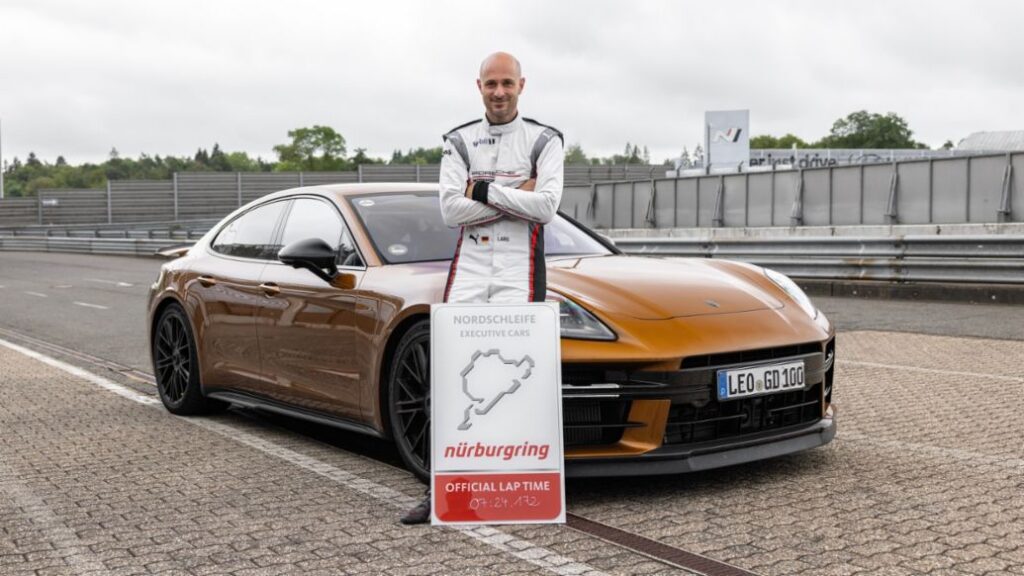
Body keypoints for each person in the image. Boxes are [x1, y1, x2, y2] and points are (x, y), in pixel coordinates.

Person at [400, 51, 564, 525]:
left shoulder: (545, 140)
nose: (498, 92)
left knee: (520, 378)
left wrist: (483, 190)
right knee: (454, 379)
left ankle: (517, 487)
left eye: (507, 83)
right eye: (491, 84)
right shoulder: (458, 140)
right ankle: (444, 490)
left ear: (521, 85)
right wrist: (519, 196)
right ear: (478, 87)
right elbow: (451, 212)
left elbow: (548, 206)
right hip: (469, 268)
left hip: (519, 268)